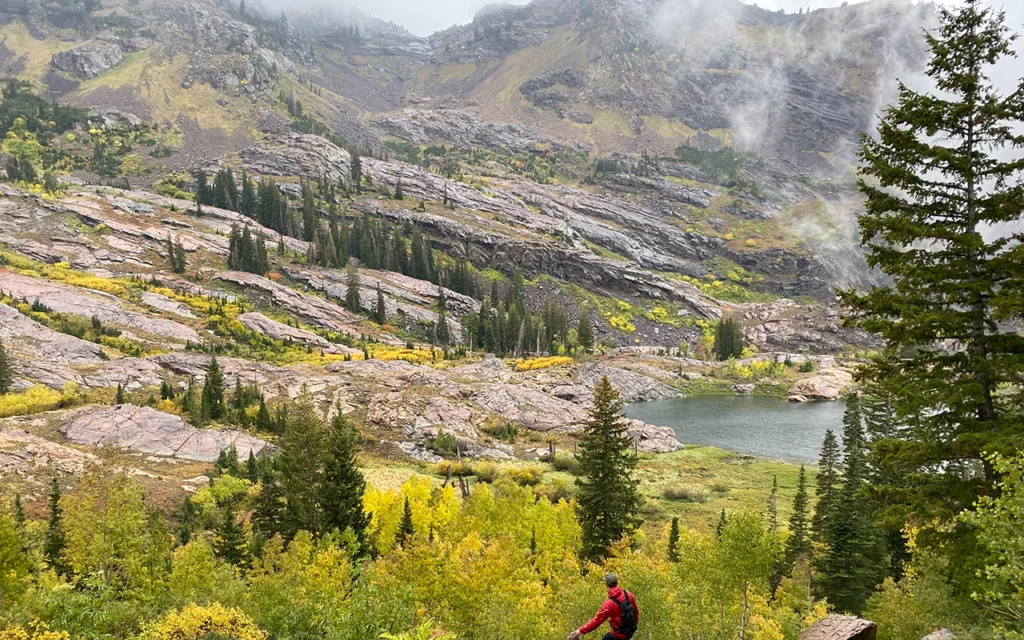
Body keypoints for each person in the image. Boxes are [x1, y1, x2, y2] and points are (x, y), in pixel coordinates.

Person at [568, 573, 639, 640]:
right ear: (617, 583)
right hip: (630, 632)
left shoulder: (609, 604)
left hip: (618, 635)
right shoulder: (628, 594)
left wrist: (580, 631)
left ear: (606, 584)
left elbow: (596, 622)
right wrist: (632, 627)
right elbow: (636, 611)